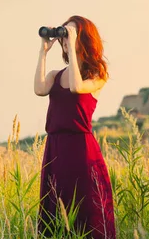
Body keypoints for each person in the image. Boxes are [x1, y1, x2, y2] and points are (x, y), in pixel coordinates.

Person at [34, 15, 116, 239]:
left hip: (81, 149)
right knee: (55, 207)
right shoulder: (55, 75)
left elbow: (77, 88)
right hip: (55, 148)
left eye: (72, 33)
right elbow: (39, 89)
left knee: (85, 209)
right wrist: (43, 50)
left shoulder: (98, 74)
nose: (66, 38)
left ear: (84, 38)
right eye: (65, 33)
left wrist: (71, 50)